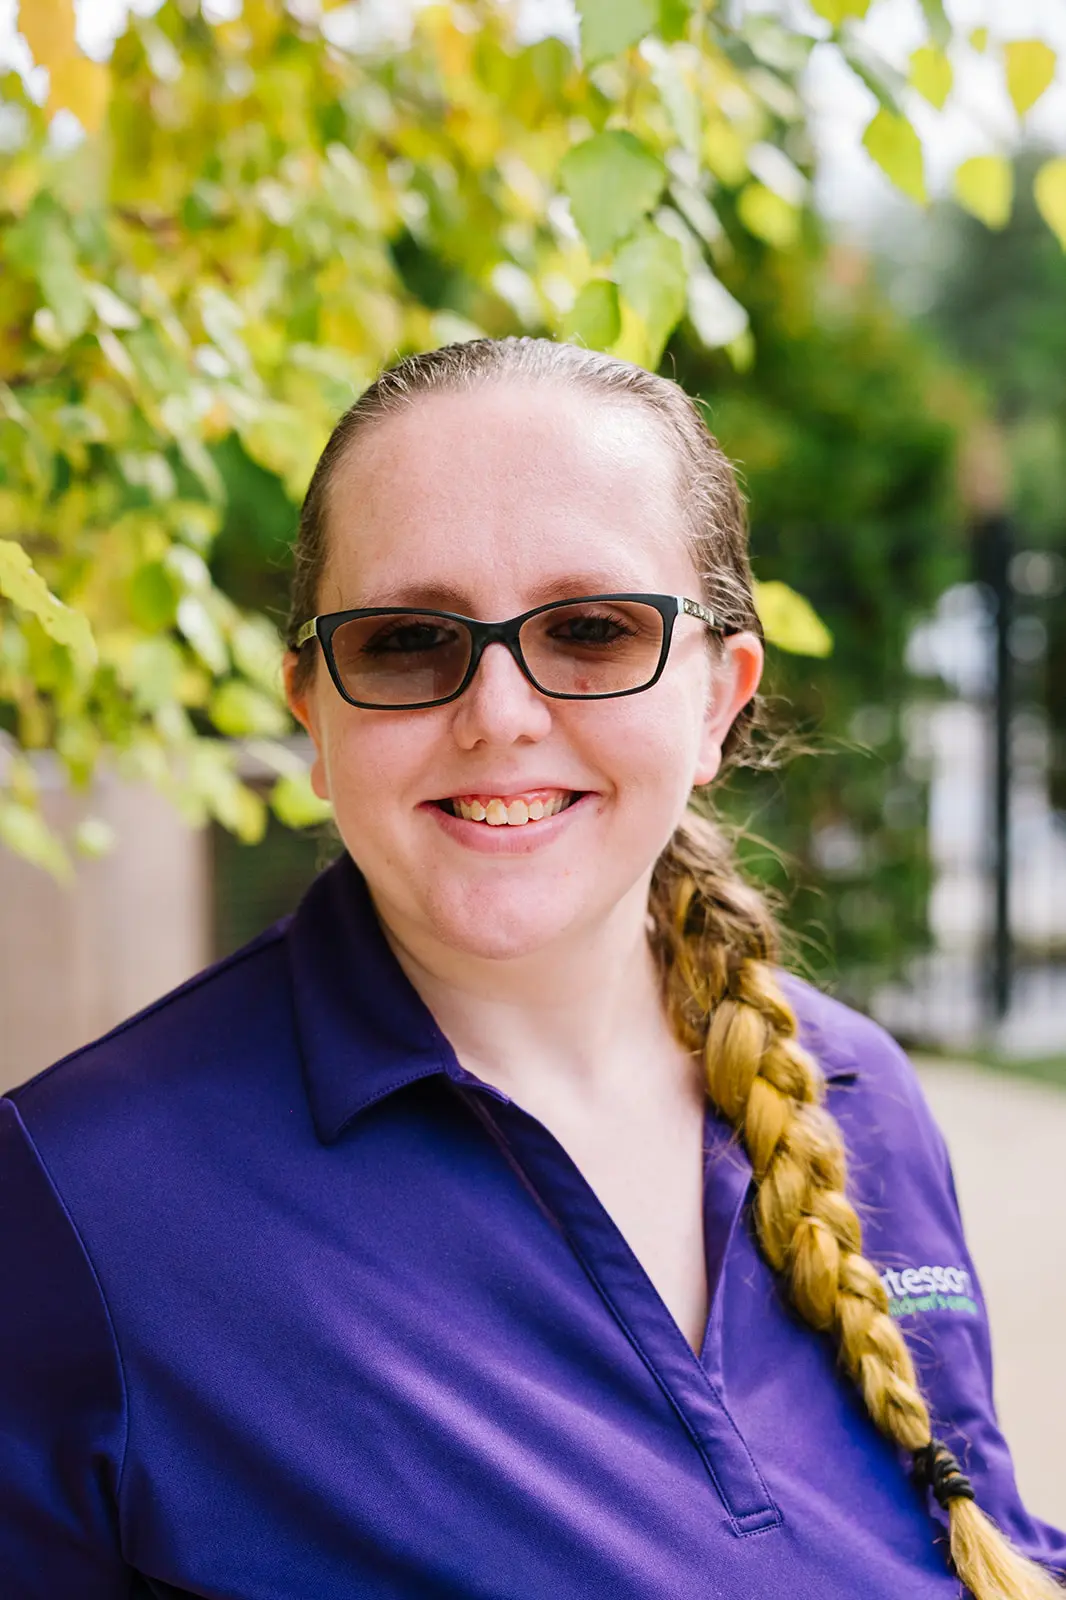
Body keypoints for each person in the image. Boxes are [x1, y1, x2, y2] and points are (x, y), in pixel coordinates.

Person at [1, 337, 1062, 1600]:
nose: (498, 713)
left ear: (718, 700)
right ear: (314, 717)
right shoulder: (75, 1201)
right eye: (405, 639)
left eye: (593, 630)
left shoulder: (859, 1094)